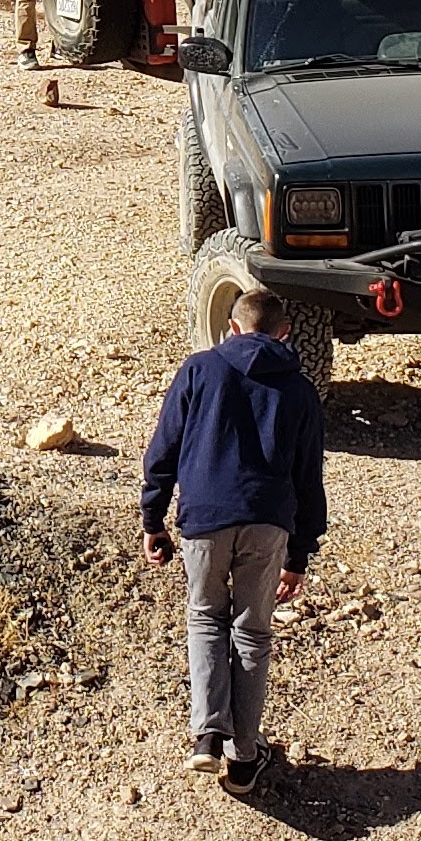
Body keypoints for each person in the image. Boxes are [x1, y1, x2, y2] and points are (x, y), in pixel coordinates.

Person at [138, 287, 328, 796]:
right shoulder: (300, 391)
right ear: (284, 334)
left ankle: (207, 736)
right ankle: (245, 758)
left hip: (204, 519)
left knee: (205, 616)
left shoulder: (199, 369)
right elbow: (309, 477)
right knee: (251, 631)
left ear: (231, 327)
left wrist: (153, 517)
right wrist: (299, 554)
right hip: (268, 524)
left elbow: (164, 449)